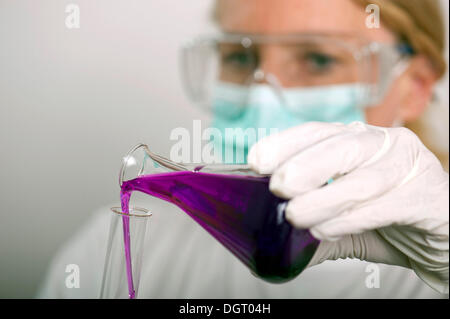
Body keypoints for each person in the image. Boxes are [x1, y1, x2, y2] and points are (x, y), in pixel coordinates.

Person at [38, 0, 448, 298]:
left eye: (319, 59)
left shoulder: (438, 252)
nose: (260, 97)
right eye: (239, 55)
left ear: (414, 87)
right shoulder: (116, 246)